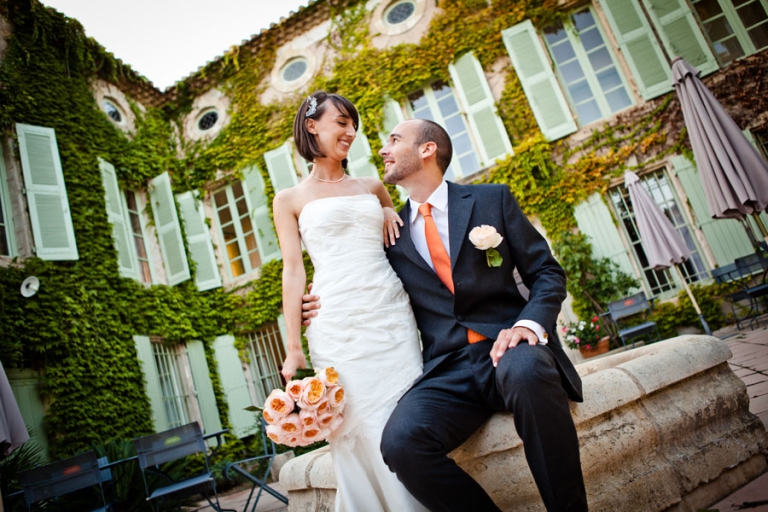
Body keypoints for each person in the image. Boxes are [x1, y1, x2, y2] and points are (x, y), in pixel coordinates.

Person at [302, 118, 588, 511]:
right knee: (400, 443)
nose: (382, 150)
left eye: (394, 140)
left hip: (509, 346)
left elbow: (546, 272)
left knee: (528, 372)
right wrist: (316, 302)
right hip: (448, 368)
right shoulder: (391, 235)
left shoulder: (492, 200)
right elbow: (361, 280)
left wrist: (527, 325)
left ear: (427, 149)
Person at [273, 91, 427, 512]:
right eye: (341, 122)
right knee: (357, 427)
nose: (351, 132)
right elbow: (293, 270)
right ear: (311, 126)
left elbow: (398, 240)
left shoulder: (375, 186)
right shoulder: (289, 199)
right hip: (336, 323)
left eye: (353, 124)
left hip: (391, 317)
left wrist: (390, 212)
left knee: (406, 418)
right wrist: (292, 348)